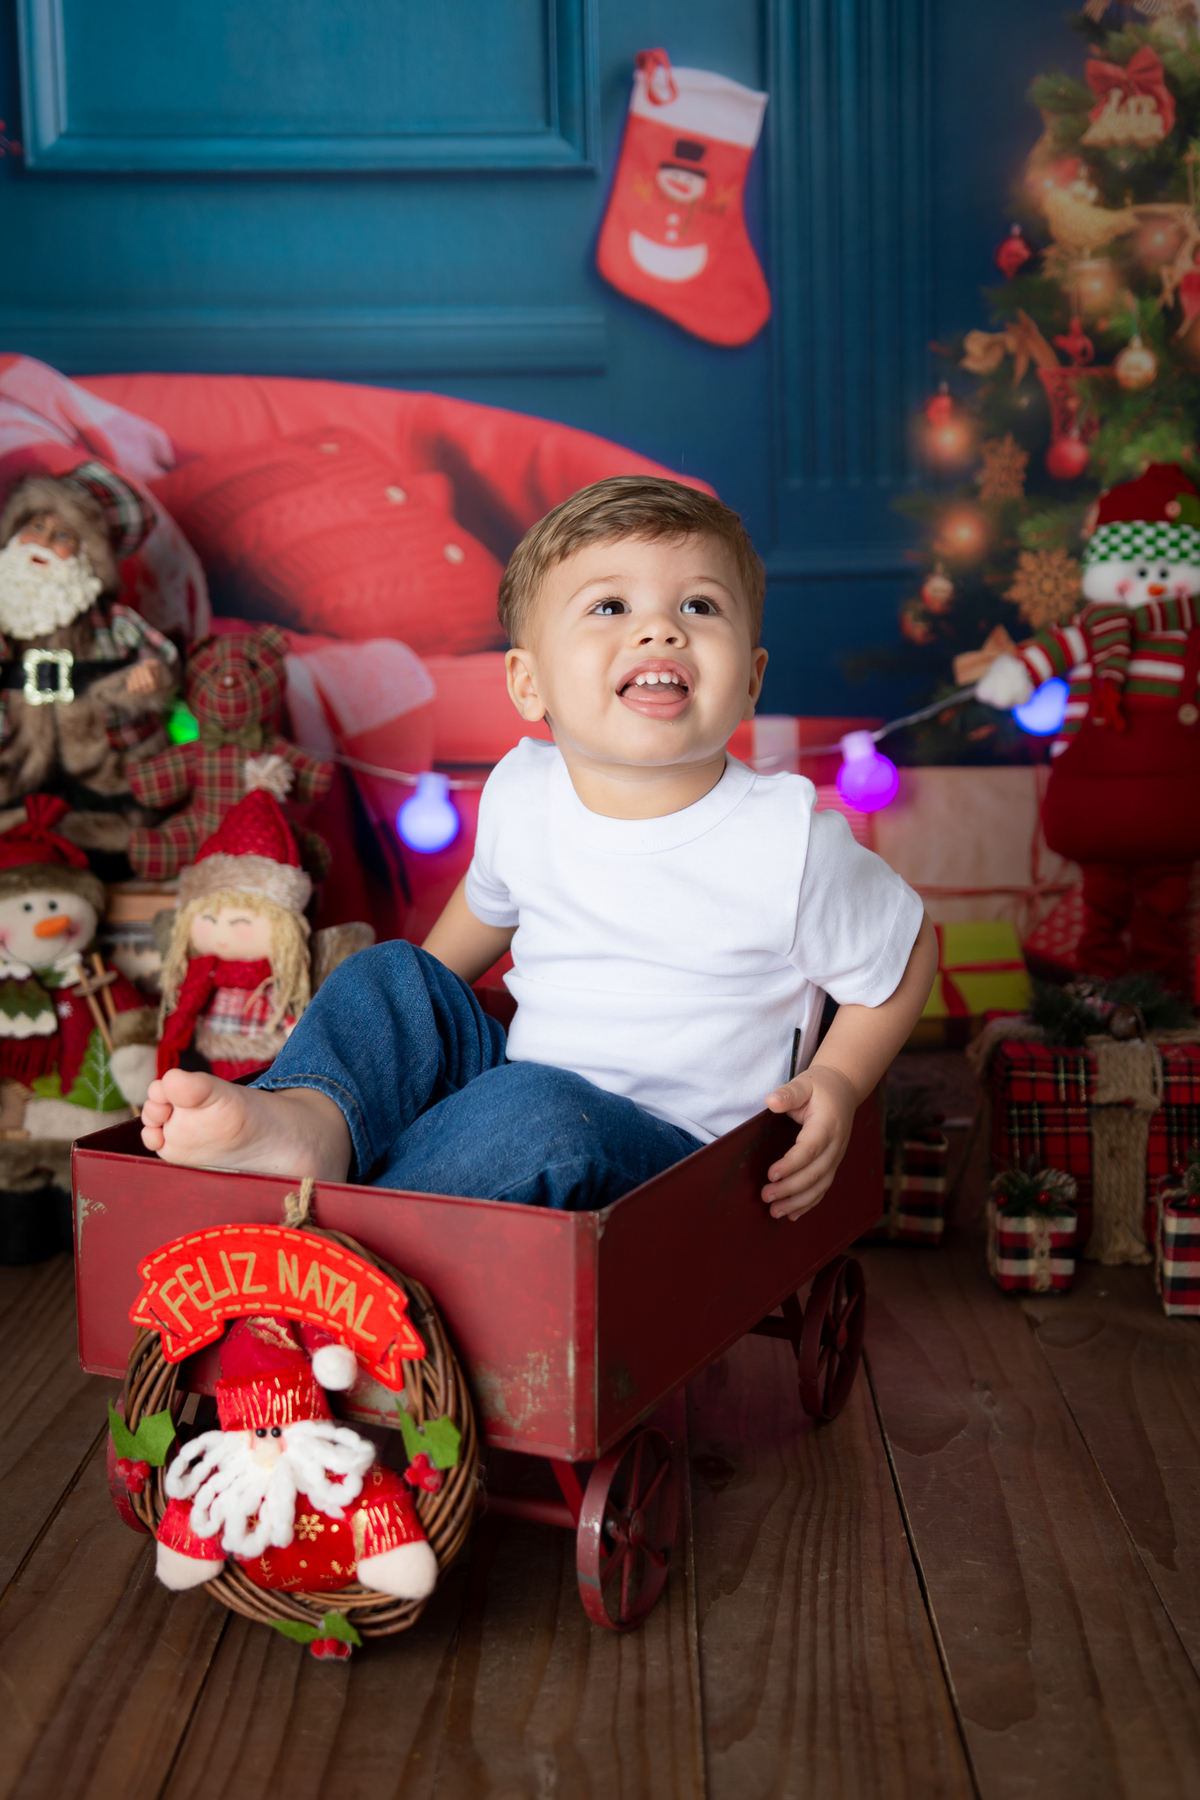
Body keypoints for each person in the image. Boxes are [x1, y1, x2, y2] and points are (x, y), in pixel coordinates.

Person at [140, 478, 937, 1221]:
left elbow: (906, 957)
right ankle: (313, 1121)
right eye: (610, 607)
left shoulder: (787, 839)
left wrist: (838, 1079)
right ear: (529, 684)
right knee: (388, 972)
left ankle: (350, 1222)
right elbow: (454, 953)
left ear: (752, 678)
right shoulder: (523, 792)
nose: (659, 627)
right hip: (516, 1091)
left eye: (699, 605)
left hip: (675, 1157)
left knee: (543, 1114)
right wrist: (401, 1038)